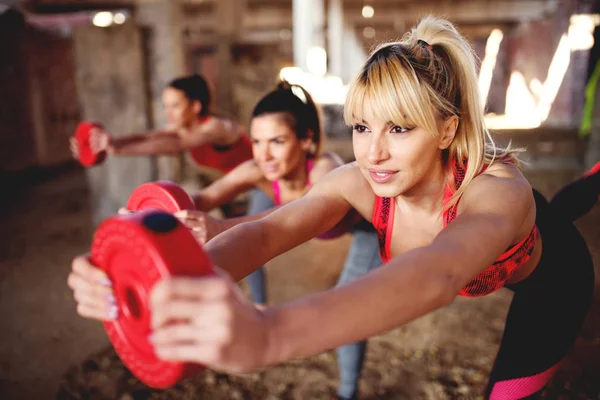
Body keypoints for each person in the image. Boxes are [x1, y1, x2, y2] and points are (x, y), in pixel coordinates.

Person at [67, 17, 595, 399]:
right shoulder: (357, 180)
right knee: (556, 206)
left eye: (401, 128)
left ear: (447, 130)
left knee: (554, 221)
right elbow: (269, 233)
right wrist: (162, 280)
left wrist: (270, 334)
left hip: (551, 281)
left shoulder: (497, 191)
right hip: (506, 235)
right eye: (363, 126)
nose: (374, 152)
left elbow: (437, 273)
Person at [70, 81, 382, 399]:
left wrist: (221, 226)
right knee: (252, 227)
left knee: (348, 315)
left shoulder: (326, 170)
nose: (265, 154)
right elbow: (199, 200)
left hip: (365, 231)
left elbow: (293, 219)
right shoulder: (257, 169)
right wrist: (147, 219)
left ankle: (347, 393)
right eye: (257, 141)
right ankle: (258, 301)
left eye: (277, 141)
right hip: (280, 209)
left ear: (306, 140)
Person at [70, 74, 253, 179]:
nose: (168, 113)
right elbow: (148, 138)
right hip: (247, 180)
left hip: (267, 174)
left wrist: (117, 150)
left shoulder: (215, 127)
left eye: (175, 106)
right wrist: (111, 142)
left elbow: (177, 144)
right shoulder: (183, 127)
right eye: (166, 106)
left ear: (195, 106)